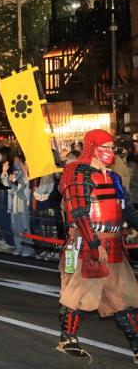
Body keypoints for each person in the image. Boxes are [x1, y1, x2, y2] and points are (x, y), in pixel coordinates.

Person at [57, 129, 138, 363]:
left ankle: (136, 345)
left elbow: (126, 210)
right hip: (86, 241)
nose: (111, 152)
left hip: (113, 243)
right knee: (78, 292)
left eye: (112, 148)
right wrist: (94, 244)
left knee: (124, 295)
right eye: (107, 147)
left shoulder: (113, 177)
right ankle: (67, 339)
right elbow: (79, 212)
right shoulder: (77, 173)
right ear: (93, 147)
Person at [3, 153, 34, 257]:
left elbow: (22, 186)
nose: (15, 163)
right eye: (14, 162)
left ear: (22, 162)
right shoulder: (15, 173)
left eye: (17, 162)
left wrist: (15, 179)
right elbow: (6, 183)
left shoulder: (25, 173)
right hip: (14, 206)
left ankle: (28, 249)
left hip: (23, 205)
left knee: (25, 227)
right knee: (15, 227)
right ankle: (18, 247)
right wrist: (4, 171)